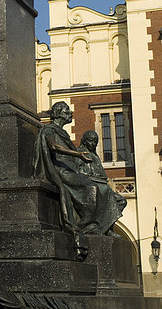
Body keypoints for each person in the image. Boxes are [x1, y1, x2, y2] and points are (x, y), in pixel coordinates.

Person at [33, 102, 125, 238]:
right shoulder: (49, 130)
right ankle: (87, 225)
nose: (70, 112)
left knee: (106, 192)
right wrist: (78, 154)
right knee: (91, 188)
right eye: (67, 110)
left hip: (71, 170)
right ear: (58, 113)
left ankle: (102, 227)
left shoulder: (62, 132)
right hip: (61, 171)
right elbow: (53, 146)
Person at [77, 130, 126, 230]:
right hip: (92, 186)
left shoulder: (95, 155)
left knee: (121, 201)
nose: (93, 144)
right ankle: (104, 229)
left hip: (102, 185)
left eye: (95, 141)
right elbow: (77, 172)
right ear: (85, 141)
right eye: (91, 141)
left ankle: (106, 228)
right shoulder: (80, 153)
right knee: (103, 198)